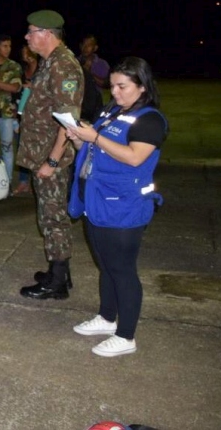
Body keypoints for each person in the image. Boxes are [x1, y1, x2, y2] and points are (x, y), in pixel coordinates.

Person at [65, 57, 167, 357]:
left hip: (124, 207)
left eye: (122, 86)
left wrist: (94, 136)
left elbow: (135, 157)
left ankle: (126, 335)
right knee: (105, 265)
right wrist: (78, 139)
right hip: (97, 201)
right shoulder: (112, 112)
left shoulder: (149, 120)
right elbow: (92, 150)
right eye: (112, 86)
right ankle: (107, 318)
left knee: (122, 269)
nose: (116, 93)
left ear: (142, 86)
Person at [17, 10, 84, 300]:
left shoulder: (63, 67)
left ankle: (56, 283)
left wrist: (52, 161)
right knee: (48, 216)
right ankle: (59, 272)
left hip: (50, 158)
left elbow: (69, 121)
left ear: (47, 33)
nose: (27, 36)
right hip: (41, 154)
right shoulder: (49, 63)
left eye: (31, 31)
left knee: (54, 218)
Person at [0, 35, 23, 182]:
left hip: (7, 112)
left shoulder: (14, 66)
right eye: (4, 46)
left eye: (9, 46)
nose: (8, 49)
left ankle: (6, 183)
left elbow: (15, 87)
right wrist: (3, 86)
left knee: (7, 148)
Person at [12, 45, 40, 195]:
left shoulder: (43, 69)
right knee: (21, 148)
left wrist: (33, 87)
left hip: (37, 115)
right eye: (23, 52)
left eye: (27, 52)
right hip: (21, 113)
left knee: (36, 149)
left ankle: (36, 181)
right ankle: (24, 182)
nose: (25, 55)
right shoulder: (21, 70)